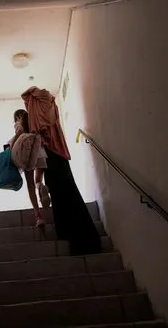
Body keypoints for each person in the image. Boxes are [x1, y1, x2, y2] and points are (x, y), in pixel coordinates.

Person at [21, 86, 101, 255]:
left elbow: (39, 129)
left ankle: (73, 238)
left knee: (60, 195)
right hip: (59, 153)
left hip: (49, 152)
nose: (28, 106)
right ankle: (83, 239)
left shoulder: (36, 103)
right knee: (68, 192)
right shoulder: (49, 103)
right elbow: (49, 123)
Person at [7, 109, 50, 227]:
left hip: (27, 154)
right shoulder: (33, 122)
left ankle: (38, 216)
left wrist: (10, 149)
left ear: (16, 117)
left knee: (30, 185)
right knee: (37, 181)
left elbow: (19, 133)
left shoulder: (18, 123)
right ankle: (41, 187)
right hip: (39, 152)